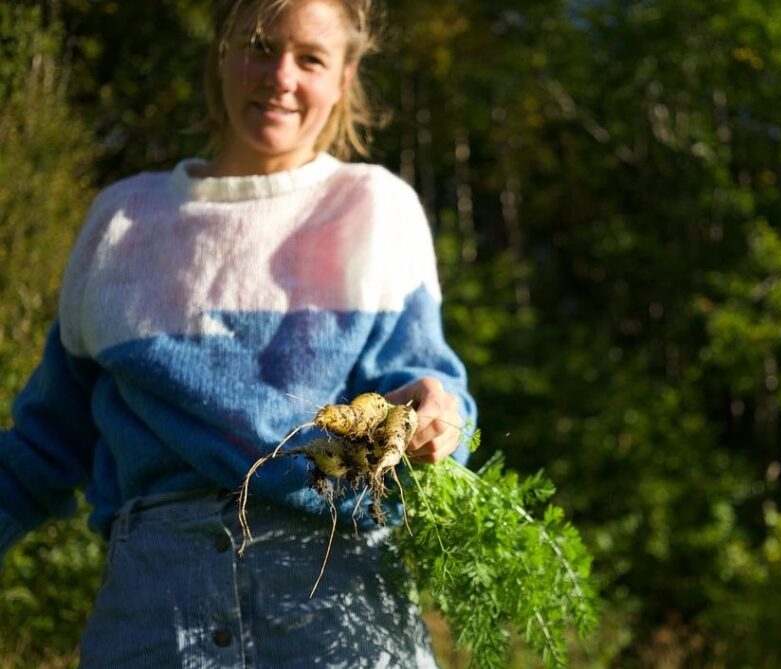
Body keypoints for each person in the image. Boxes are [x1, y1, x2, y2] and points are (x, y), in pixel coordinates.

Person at [0, 0, 475, 665]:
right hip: (155, 618)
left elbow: (433, 390)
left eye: (310, 58)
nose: (280, 75)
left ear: (343, 77)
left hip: (339, 605)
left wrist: (439, 416)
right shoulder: (123, 222)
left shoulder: (375, 208)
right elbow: (44, 444)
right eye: (259, 45)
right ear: (220, 51)